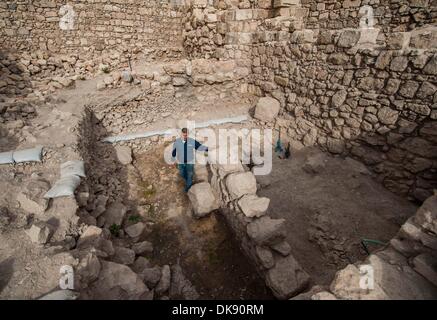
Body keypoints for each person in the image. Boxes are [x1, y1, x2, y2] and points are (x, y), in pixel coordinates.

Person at [171, 128, 208, 192]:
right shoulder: (177, 142)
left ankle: (188, 189)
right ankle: (189, 180)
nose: (185, 136)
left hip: (190, 161)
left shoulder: (191, 141)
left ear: (188, 134)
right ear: (181, 134)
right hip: (181, 161)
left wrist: (206, 149)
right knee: (182, 173)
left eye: (186, 135)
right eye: (183, 135)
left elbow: (199, 147)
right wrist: (173, 157)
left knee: (189, 175)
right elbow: (174, 150)